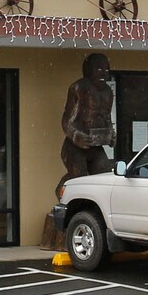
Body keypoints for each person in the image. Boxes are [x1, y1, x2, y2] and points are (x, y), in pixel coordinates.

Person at [57, 51, 116, 199]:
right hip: (74, 147)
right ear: (89, 70)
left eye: (106, 69)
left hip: (96, 146)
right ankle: (61, 193)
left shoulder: (108, 92)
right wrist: (76, 136)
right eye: (99, 69)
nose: (104, 73)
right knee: (79, 180)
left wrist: (111, 134)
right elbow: (66, 120)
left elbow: (107, 118)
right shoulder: (78, 88)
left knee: (105, 178)